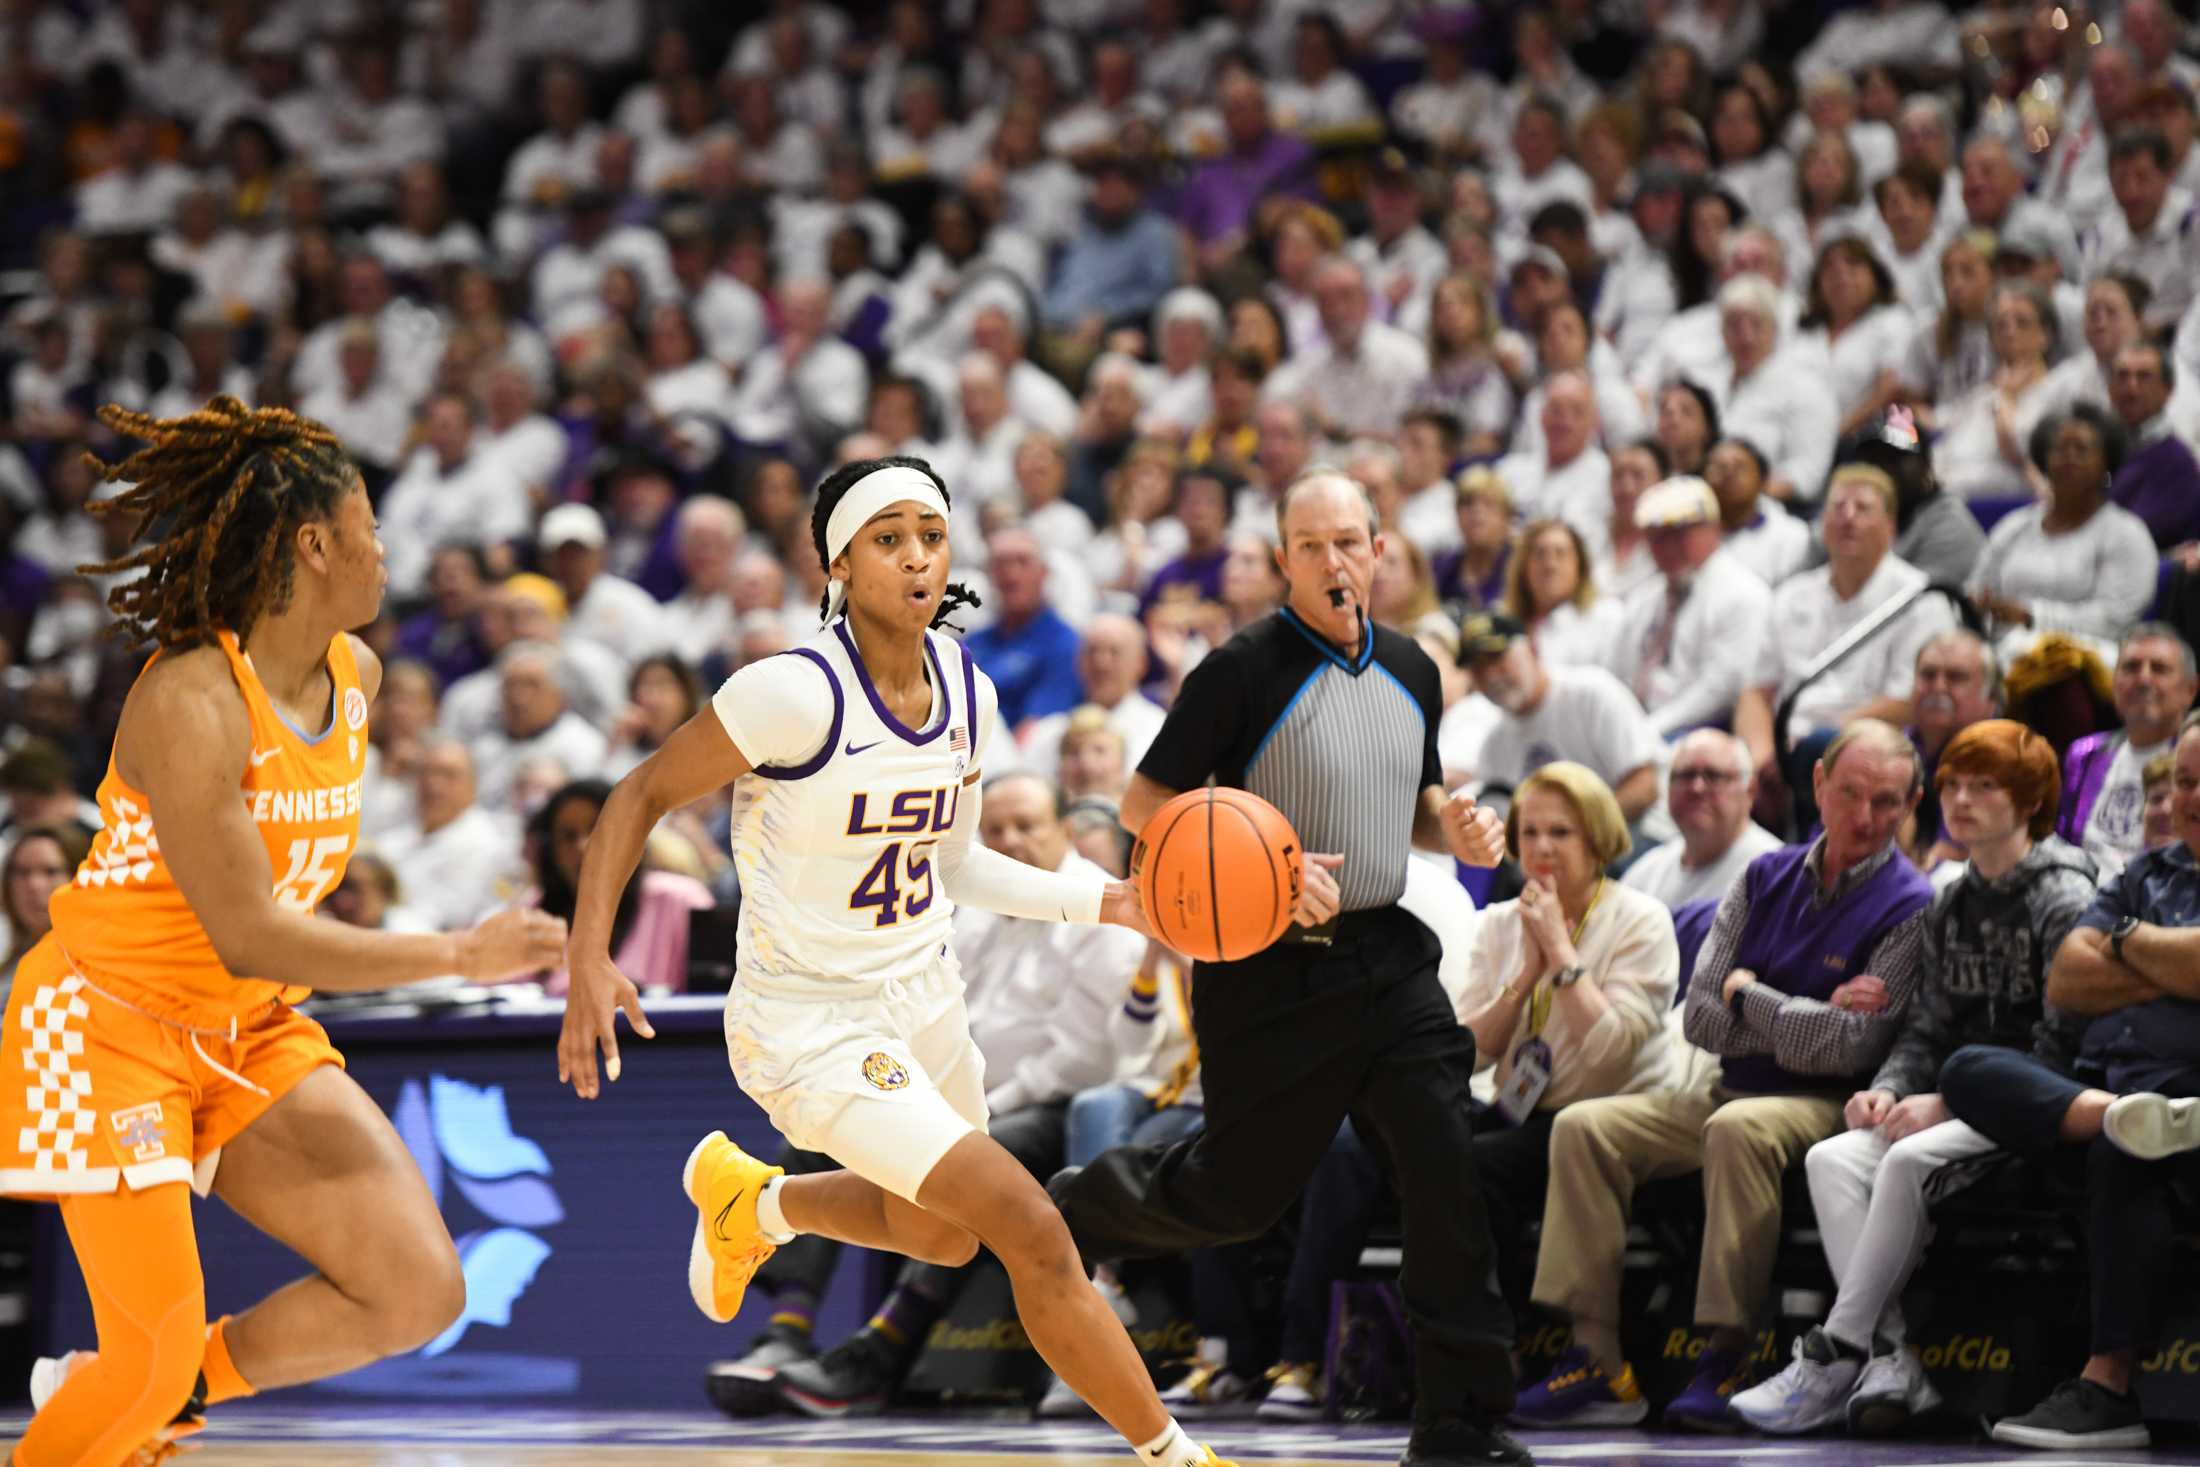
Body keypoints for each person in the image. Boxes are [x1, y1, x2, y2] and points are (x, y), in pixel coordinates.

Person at [553, 456, 1240, 1467]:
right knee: (1030, 1227)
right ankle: (1181, 1457)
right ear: (837, 563)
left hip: (923, 997)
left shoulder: (965, 683)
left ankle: (762, 1202)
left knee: (944, 1235)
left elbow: (956, 861)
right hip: (810, 1022)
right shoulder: (791, 693)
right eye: (889, 538)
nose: (917, 556)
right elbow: (638, 796)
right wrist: (588, 960)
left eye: (931, 533)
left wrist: (1111, 901)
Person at [8, 399, 564, 1467]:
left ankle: (166, 1392)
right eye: (372, 523)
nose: (388, 548)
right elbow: (252, 932)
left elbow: (261, 956)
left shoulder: (353, 679)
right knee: (147, 1353)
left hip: (243, 1031)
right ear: (315, 544)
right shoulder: (190, 699)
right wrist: (456, 952)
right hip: (105, 1031)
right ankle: (143, 1388)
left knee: (416, 1289)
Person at [1051, 469, 1530, 1467]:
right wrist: (1266, 866)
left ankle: (1460, 1424)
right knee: (1235, 1197)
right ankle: (1059, 1210)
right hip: (1266, 972)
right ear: (1281, 560)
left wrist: (1460, 825)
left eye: (1346, 541)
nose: (1330, 561)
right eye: (1307, 545)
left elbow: (1411, 797)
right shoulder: (1239, 669)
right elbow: (1144, 807)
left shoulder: (1413, 667)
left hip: (1386, 958)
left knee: (1445, 1165)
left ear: (1380, 551)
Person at [1515, 721, 1932, 1430]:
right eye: (1853, 793)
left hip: (1828, 1105)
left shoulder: (1912, 902)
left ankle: (1728, 1350)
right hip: (1728, 1083)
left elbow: (1850, 1049)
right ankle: (1598, 1358)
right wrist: (1798, 1012)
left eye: (1888, 801)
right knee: (1587, 1126)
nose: (1866, 817)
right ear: (1819, 786)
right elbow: (1698, 1017)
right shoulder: (1763, 875)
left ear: (1914, 801)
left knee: (1739, 1128)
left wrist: (1750, 993)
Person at [1731, 721, 2096, 1436]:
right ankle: (1893, 1356)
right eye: (1953, 784)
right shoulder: (1952, 899)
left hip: (2043, 1103)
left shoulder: (2064, 898)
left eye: (1983, 786)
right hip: (1955, 1100)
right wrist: (1892, 1086)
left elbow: (2066, 1046)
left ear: (2028, 799)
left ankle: (1836, 1350)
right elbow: (1927, 1026)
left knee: (1905, 1156)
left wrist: (1952, 1099)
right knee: (1832, 1154)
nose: (1959, 800)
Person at [1938, 715, 2200, 1451]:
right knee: (1969, 1067)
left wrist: (2124, 945)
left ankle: (2108, 1386)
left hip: (2191, 1107)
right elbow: (2067, 980)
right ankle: (2117, 1115)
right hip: (2098, 1091)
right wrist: (2166, 975)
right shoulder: (2143, 872)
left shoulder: (2124, 896)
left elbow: (2136, 962)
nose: (2190, 795)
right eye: (2182, 779)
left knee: (2131, 1159)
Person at [2057, 624, 2200, 880]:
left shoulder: (2194, 763)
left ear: (2190, 690)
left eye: (2159, 669)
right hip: (2077, 899)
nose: (2143, 679)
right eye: (2131, 667)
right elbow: (2061, 844)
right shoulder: (2084, 754)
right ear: (2113, 683)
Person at [1623, 729, 1783, 909]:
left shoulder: (1775, 872)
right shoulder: (1644, 874)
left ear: (1750, 791)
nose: (1697, 788)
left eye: (1713, 775)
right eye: (1686, 775)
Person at [0, 822, 91, 993]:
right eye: (22, 872)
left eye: (50, 871)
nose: (33, 885)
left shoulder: (100, 968)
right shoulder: (6, 960)